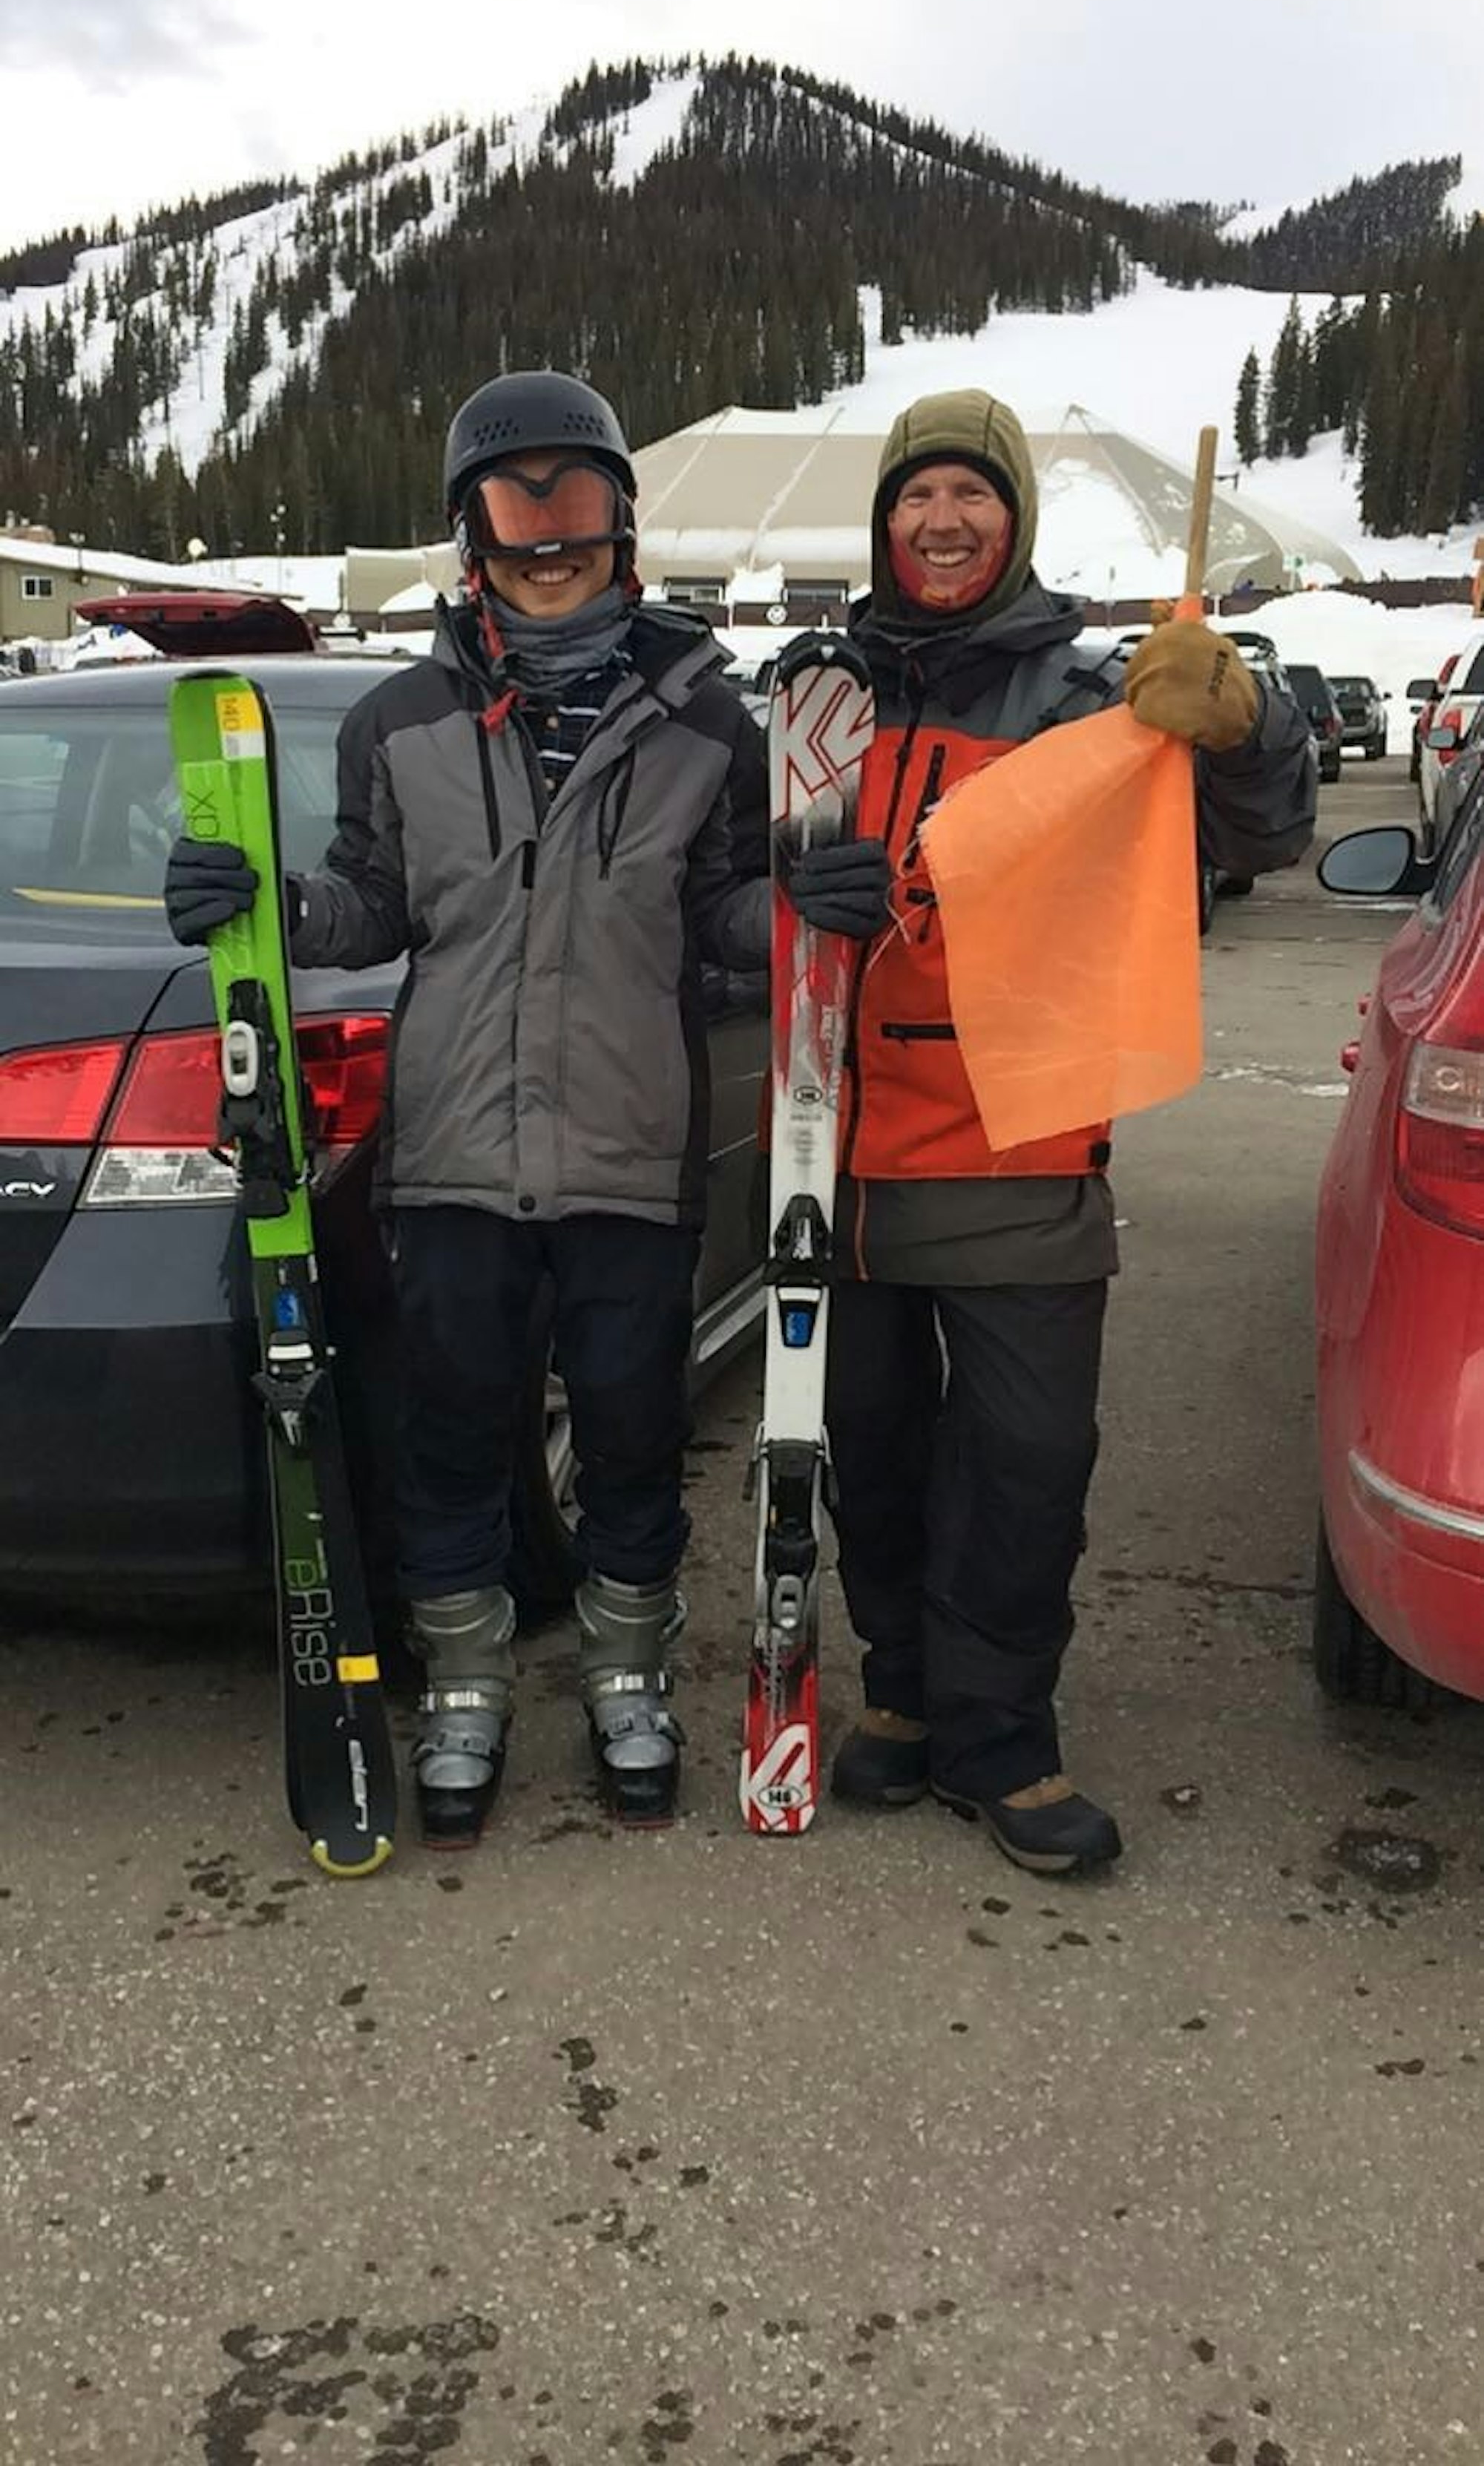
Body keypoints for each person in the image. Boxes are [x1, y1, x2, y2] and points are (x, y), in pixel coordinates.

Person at [164, 371, 769, 1845]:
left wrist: (808, 903)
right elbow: (372, 904)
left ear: (624, 525)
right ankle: (464, 1686)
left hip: (629, 1151)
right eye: (515, 504)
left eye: (576, 500)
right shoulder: (399, 721)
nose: (547, 538)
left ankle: (626, 1676)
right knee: (451, 1436)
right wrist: (267, 904)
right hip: (450, 1157)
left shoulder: (708, 724)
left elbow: (727, 917)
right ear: (469, 535)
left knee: (630, 1433)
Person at [787, 388, 1316, 1876]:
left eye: (972, 493)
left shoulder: (1087, 697)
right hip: (835, 1159)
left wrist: (1243, 724)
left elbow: (1259, 832)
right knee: (873, 1451)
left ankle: (1003, 1738)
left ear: (1013, 518)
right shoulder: (819, 694)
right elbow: (728, 875)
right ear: (883, 522)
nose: (941, 519)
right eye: (916, 495)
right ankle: (905, 1692)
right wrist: (787, 878)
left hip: (1020, 1149)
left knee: (1022, 1464)